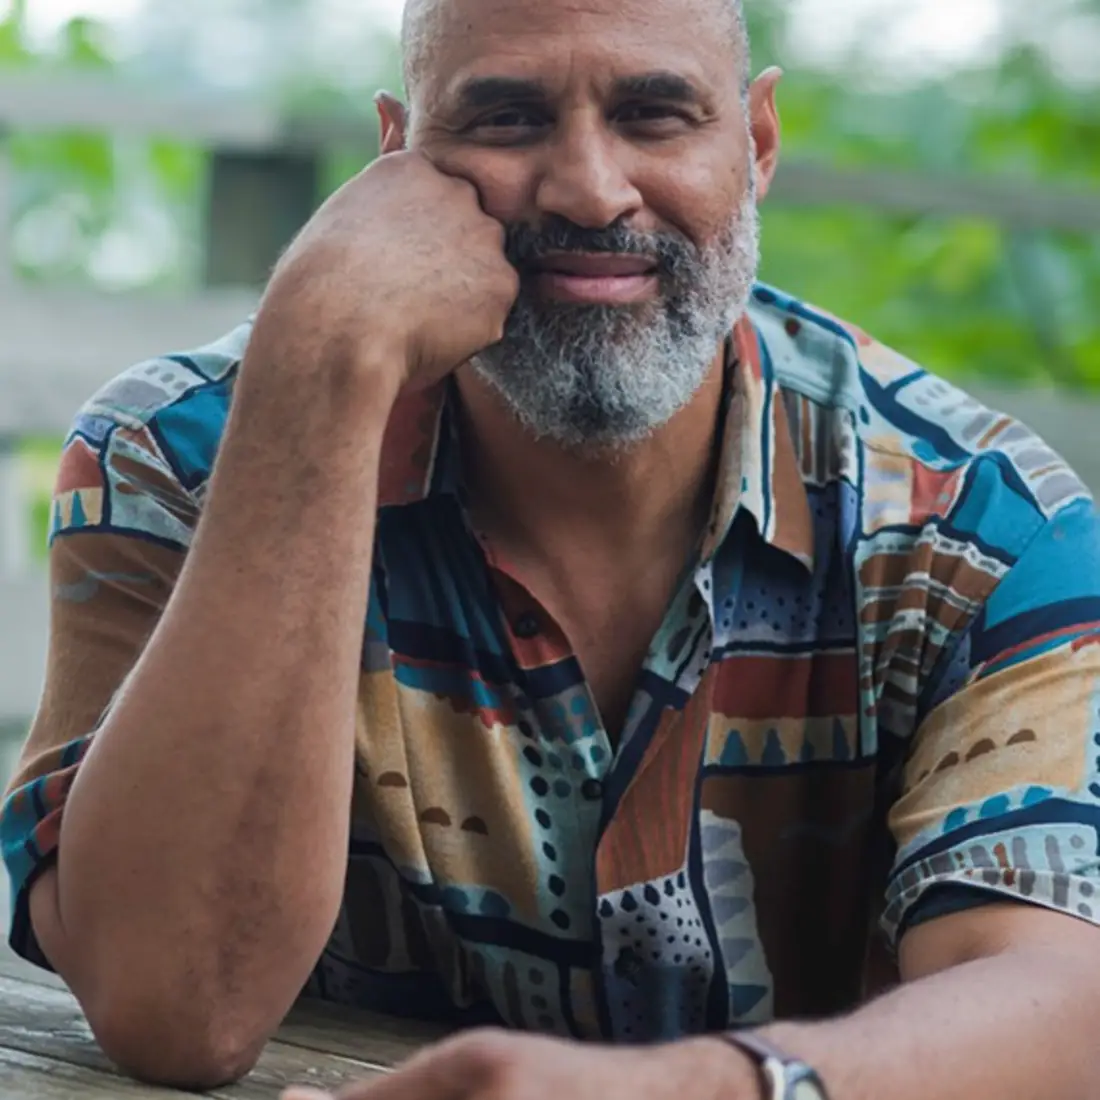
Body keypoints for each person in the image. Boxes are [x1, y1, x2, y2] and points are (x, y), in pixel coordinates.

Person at [4, 0, 1100, 1095]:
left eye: (654, 114)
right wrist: (323, 363)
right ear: (397, 159)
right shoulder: (180, 456)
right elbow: (171, 1001)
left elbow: (1053, 1009)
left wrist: (697, 1089)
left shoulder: (981, 529)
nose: (587, 187)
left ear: (755, 145)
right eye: (507, 119)